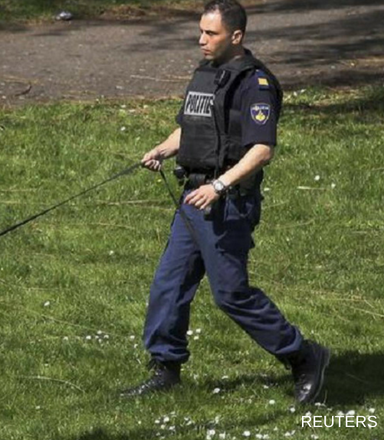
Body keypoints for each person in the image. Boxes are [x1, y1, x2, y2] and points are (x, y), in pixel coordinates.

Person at [122, 0, 329, 404]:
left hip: (226, 203)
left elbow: (261, 150)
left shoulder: (256, 85)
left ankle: (304, 355)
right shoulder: (206, 74)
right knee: (170, 282)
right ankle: (165, 367)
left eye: (210, 33)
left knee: (231, 294)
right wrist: (162, 149)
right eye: (200, 31)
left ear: (236, 36)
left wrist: (219, 186)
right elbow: (192, 128)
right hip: (192, 199)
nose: (201, 40)